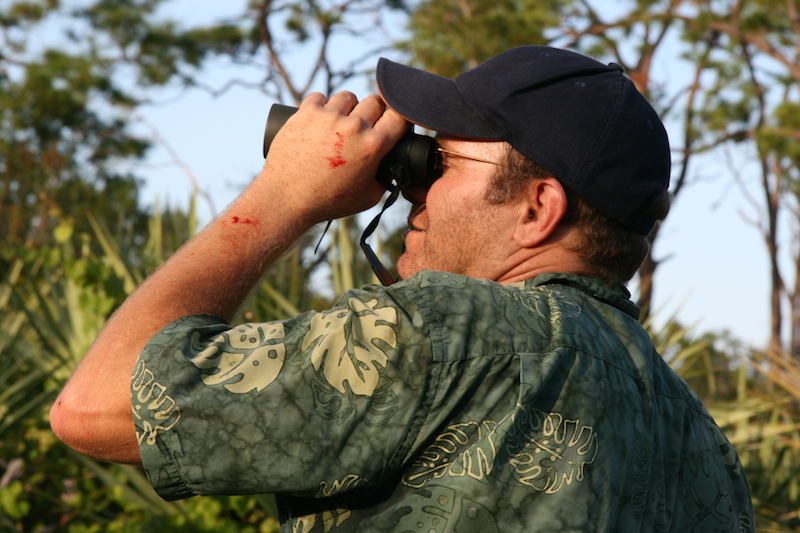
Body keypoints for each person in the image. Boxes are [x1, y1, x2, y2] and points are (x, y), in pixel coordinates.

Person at [50, 45, 754, 532]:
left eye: (439, 161)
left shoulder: (449, 332)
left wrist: (283, 194)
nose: (408, 183)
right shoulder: (702, 444)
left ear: (539, 208)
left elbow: (96, 406)